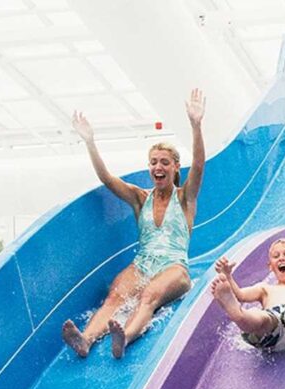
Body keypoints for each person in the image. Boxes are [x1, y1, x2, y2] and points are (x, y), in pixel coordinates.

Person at [62, 89, 206, 359]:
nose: (157, 167)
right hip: (143, 263)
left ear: (175, 167)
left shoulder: (185, 197)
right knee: (115, 296)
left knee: (149, 295)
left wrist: (196, 125)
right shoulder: (141, 199)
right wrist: (90, 142)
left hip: (174, 267)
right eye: (153, 163)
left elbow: (198, 165)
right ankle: (86, 339)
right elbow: (107, 179)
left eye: (164, 162)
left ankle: (125, 336)